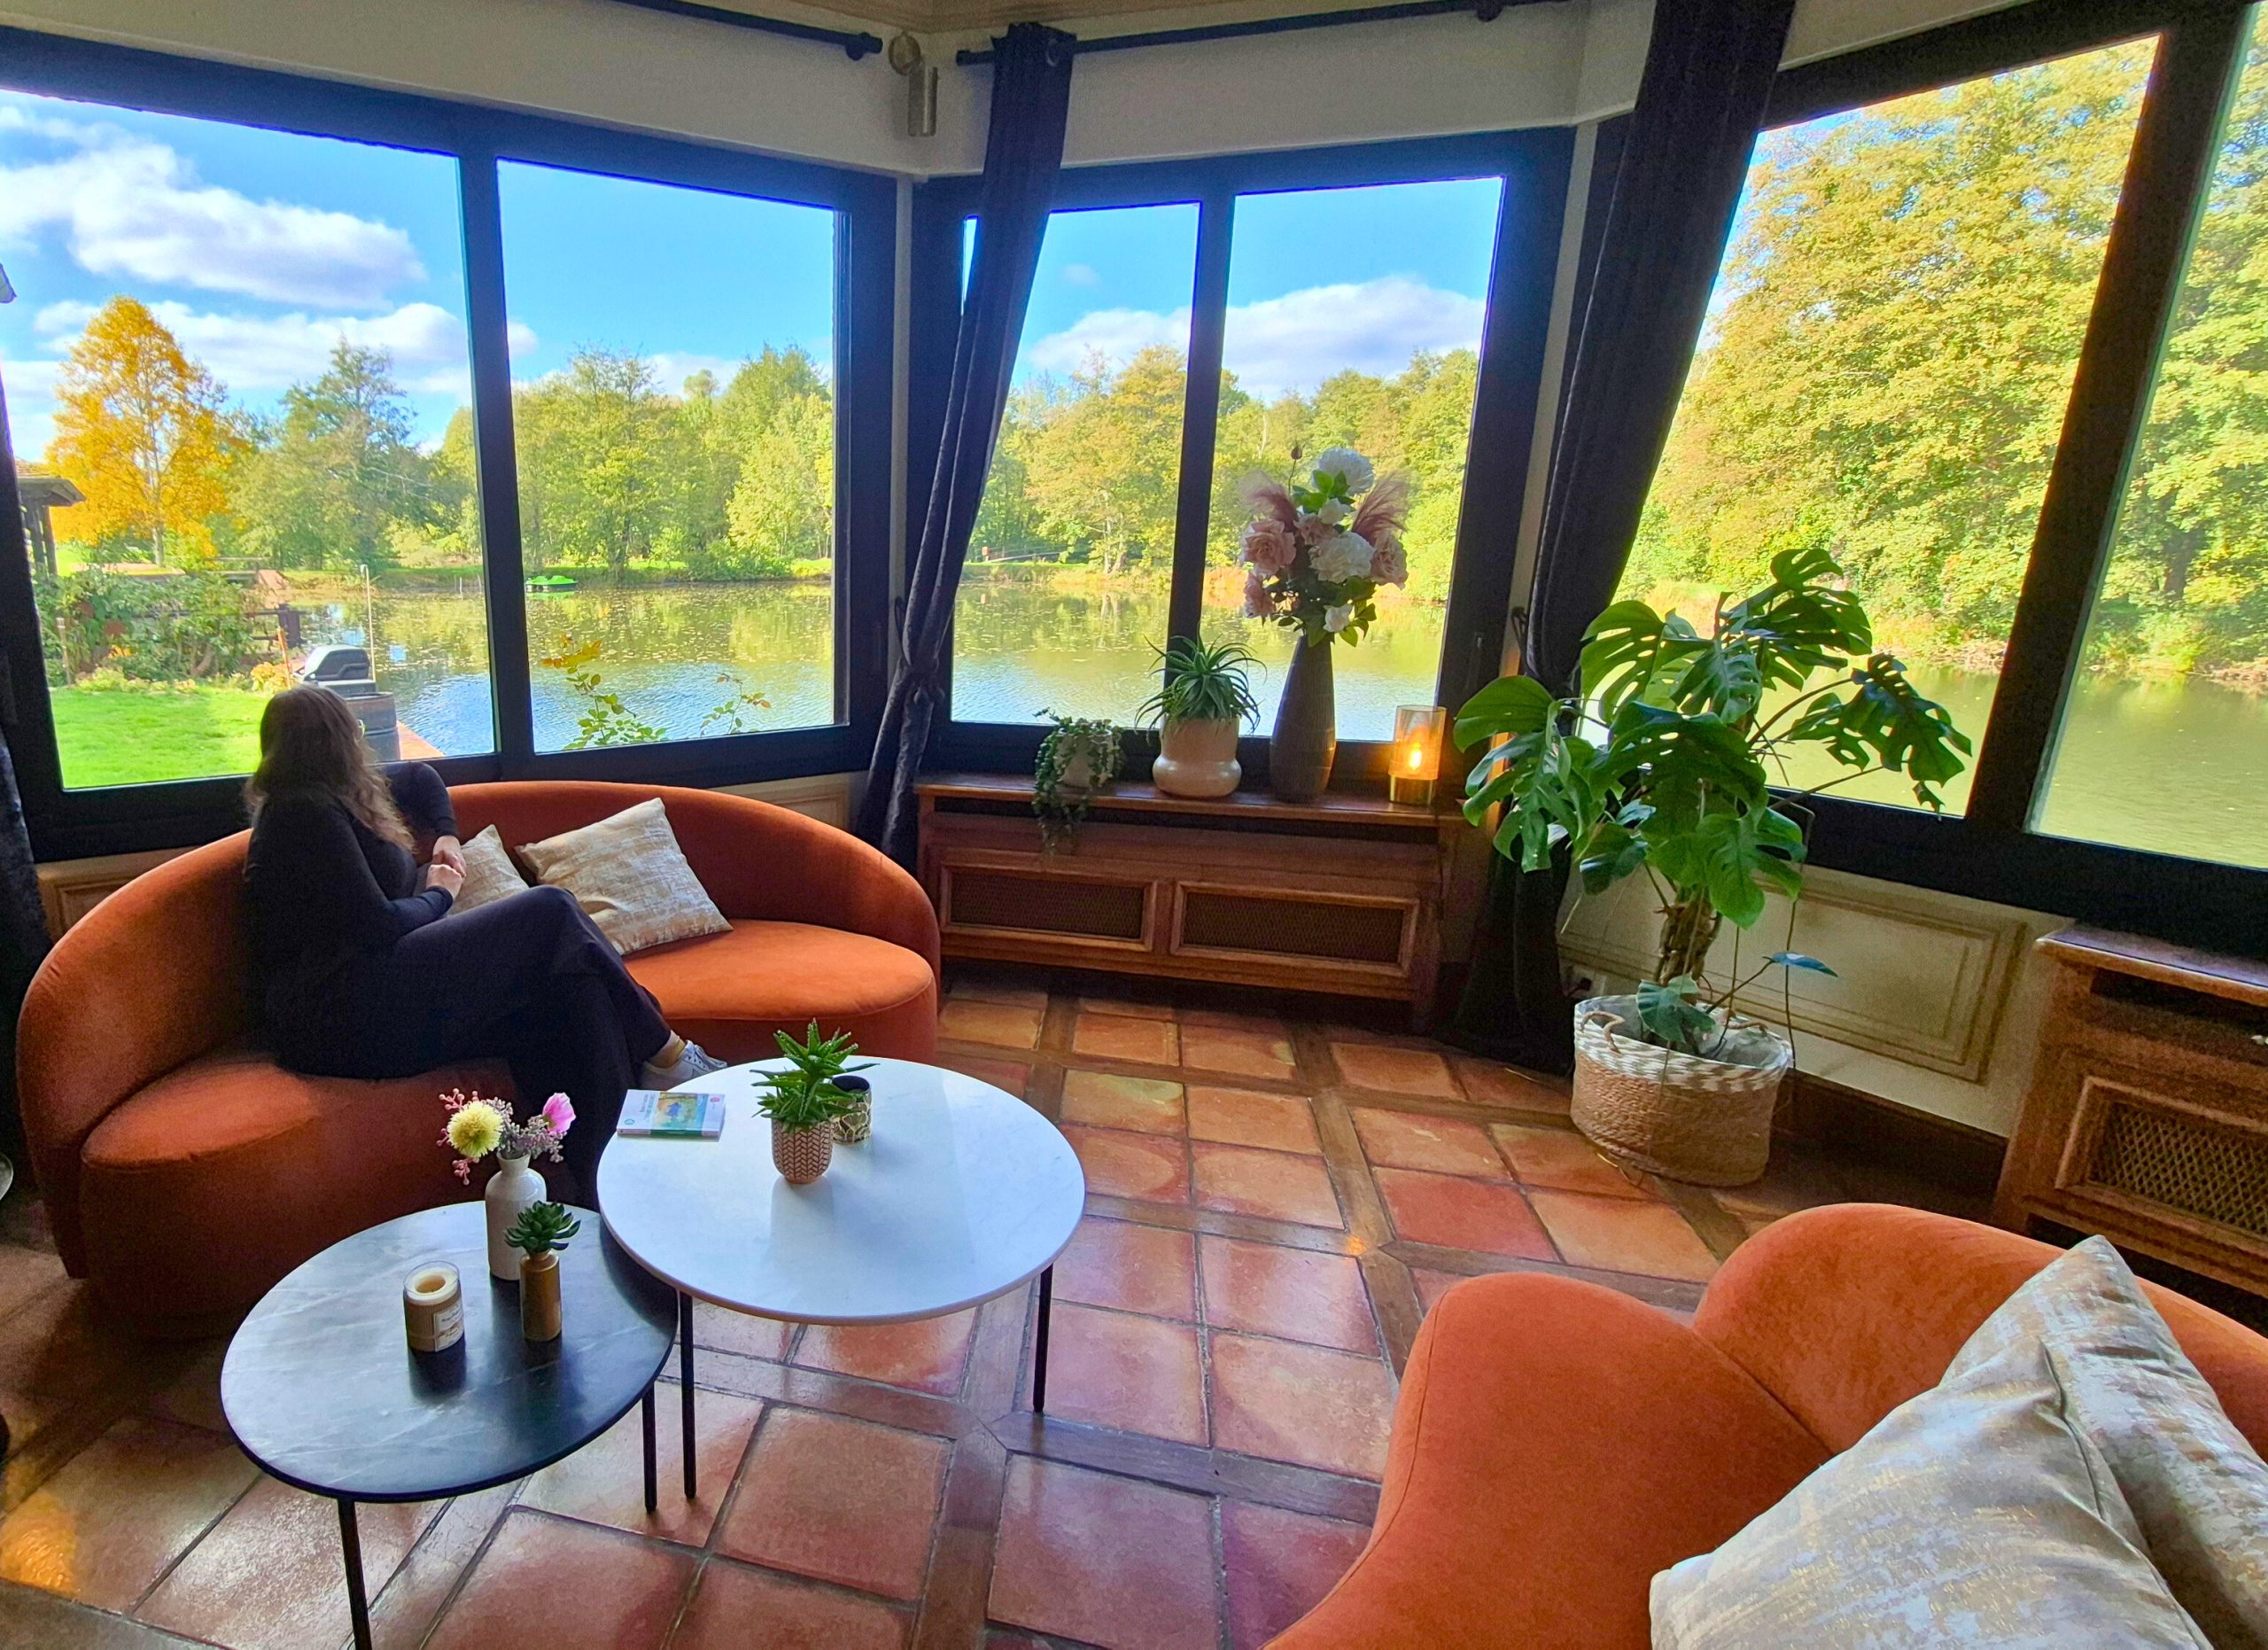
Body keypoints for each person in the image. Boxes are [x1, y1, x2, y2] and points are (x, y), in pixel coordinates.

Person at [243, 685, 722, 1194]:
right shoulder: (301, 814)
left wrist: (447, 834)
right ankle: (666, 1053)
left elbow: (420, 777)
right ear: (340, 741)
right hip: (342, 1017)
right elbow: (377, 925)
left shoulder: (347, 796)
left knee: (572, 992)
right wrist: (441, 893)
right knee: (549, 909)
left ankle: (608, 1187)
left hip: (387, 989)